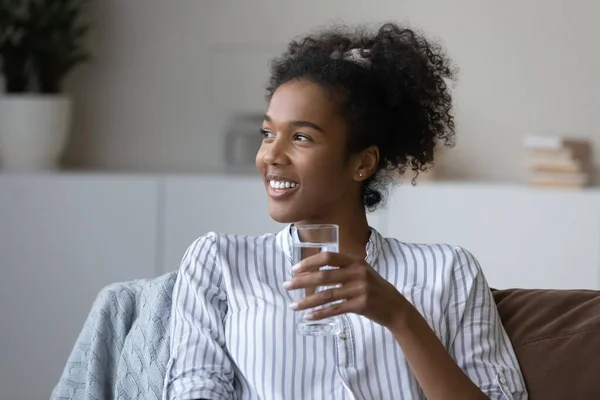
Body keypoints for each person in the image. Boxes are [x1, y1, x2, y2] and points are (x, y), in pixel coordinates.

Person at [165, 22, 527, 400]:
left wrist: (400, 317)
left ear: (363, 163)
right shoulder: (220, 262)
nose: (270, 155)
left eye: (301, 137)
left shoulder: (449, 271)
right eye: (268, 133)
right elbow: (196, 389)